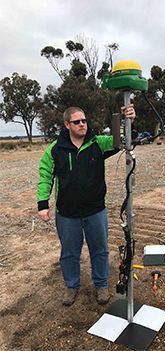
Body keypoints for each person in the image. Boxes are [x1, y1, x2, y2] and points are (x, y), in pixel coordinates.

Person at [37, 104, 135, 306]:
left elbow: (123, 142)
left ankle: (101, 284)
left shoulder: (97, 143)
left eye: (84, 121)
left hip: (95, 211)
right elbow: (45, 177)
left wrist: (129, 121)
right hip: (66, 213)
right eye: (77, 122)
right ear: (66, 125)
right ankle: (72, 286)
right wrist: (42, 204)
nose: (82, 124)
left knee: (99, 250)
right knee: (69, 253)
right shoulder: (55, 150)